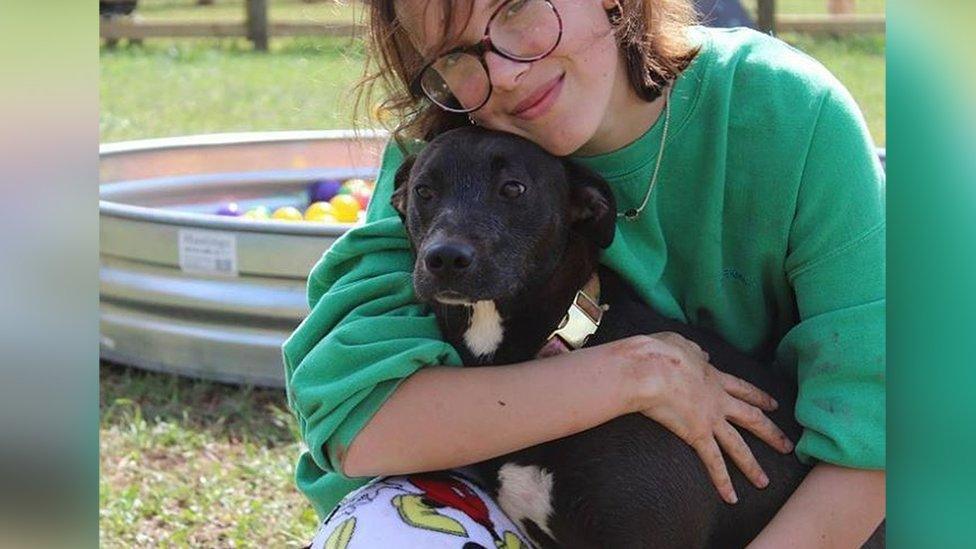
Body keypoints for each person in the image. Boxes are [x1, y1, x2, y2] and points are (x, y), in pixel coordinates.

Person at [282, 0, 885, 546]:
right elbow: (357, 421)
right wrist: (637, 374)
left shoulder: (782, 110)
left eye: (516, 8)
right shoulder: (445, 155)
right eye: (453, 55)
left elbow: (888, 433)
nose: (506, 72)